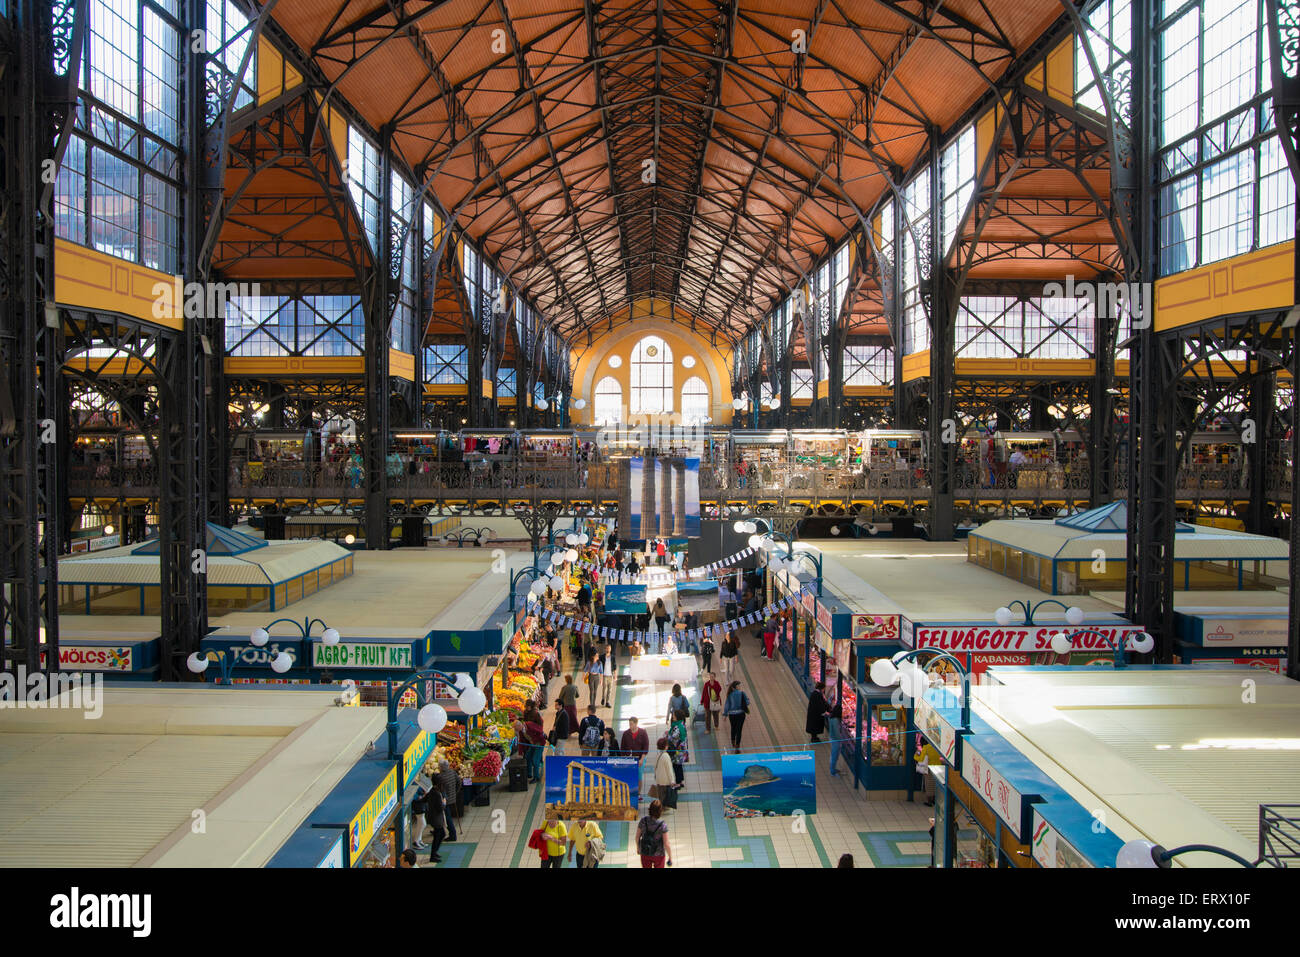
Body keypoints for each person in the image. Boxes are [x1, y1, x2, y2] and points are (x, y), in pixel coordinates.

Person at [636, 799, 672, 868]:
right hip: (659, 854)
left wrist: (638, 848)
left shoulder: (643, 821)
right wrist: (670, 857)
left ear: (650, 809)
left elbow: (637, 837)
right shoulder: (662, 825)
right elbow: (666, 843)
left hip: (645, 852)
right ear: (660, 811)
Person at [523, 701, 547, 783]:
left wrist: (534, 733)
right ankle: (529, 773)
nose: (526, 707)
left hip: (538, 741)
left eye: (527, 706)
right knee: (528, 756)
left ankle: (536, 777)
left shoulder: (536, 714)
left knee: (535, 760)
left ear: (530, 706)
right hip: (533, 740)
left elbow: (540, 726)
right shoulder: (526, 713)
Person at [424, 780, 447, 864]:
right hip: (437, 819)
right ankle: (433, 855)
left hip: (433, 818)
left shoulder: (431, 791)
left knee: (440, 835)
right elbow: (440, 808)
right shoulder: (437, 794)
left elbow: (424, 799)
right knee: (439, 836)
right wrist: (444, 803)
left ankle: (434, 853)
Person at [437, 758, 459, 842]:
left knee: (447, 817)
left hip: (445, 800)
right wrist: (455, 791)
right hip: (453, 797)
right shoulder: (452, 772)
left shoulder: (441, 777)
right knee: (447, 816)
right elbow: (459, 782)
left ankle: (452, 834)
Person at [723, 680, 749, 750]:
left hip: (732, 715)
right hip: (741, 714)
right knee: (739, 730)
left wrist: (725, 715)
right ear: (736, 687)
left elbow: (727, 705)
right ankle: (737, 745)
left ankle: (733, 741)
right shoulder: (742, 693)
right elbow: (747, 702)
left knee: (733, 728)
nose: (740, 687)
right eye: (739, 685)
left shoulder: (730, 695)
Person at [667, 708, 689, 789]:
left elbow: (672, 738)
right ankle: (681, 781)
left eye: (674, 715)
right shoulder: (682, 724)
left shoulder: (677, 727)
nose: (672, 716)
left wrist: (667, 736)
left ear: (677, 717)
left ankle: (678, 783)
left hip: (677, 751)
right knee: (679, 766)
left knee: (676, 766)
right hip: (682, 750)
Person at [826, 695, 846, 777]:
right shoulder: (835, 720)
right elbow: (837, 732)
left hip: (833, 738)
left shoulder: (832, 717)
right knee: (834, 755)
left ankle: (833, 769)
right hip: (835, 739)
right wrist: (841, 739)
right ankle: (832, 771)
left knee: (834, 754)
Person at [653, 739, 677, 805]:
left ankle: (660, 806)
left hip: (659, 779)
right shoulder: (666, 756)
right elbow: (669, 769)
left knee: (660, 795)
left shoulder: (658, 755)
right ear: (666, 746)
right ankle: (662, 807)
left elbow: (655, 767)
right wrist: (672, 780)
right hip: (665, 780)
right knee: (665, 796)